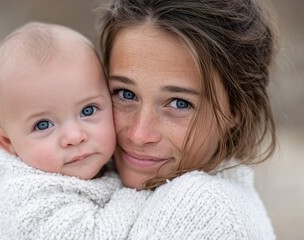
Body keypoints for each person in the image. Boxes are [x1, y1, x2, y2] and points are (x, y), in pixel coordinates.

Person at [99, 0, 278, 238]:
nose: (139, 135)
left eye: (179, 103)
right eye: (125, 94)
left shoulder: (205, 211)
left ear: (236, 110)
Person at [0, 21, 149, 240]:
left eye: (88, 110)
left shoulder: (103, 161)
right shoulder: (27, 201)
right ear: (6, 142)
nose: (75, 137)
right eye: (43, 125)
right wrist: (146, 193)